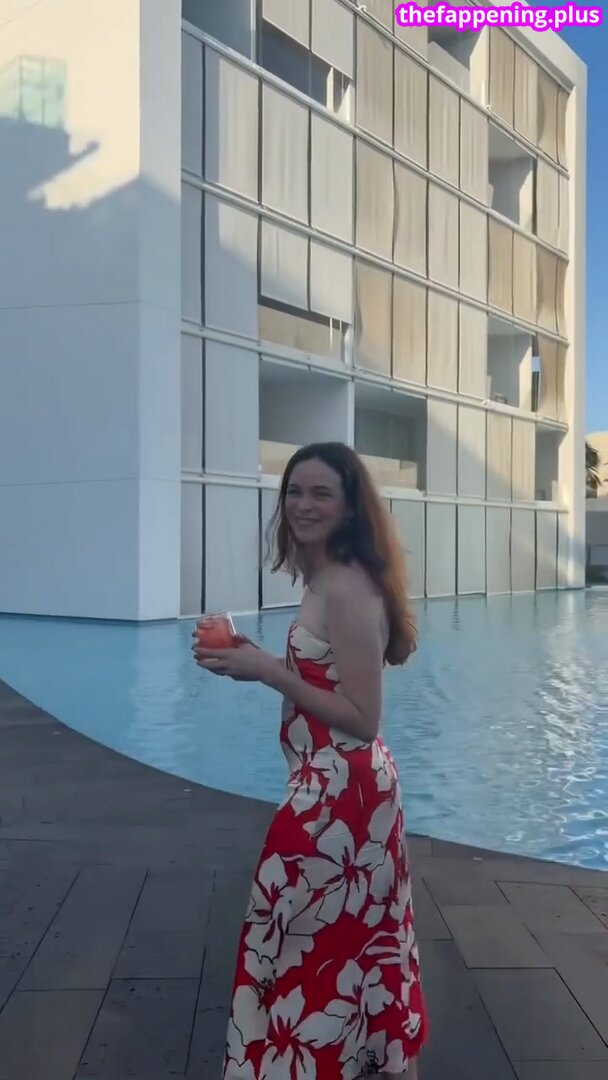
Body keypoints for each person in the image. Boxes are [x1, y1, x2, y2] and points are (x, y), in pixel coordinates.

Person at [193, 442, 428, 1080]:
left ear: (350, 506)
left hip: (342, 798)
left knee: (302, 945)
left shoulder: (346, 588)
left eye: (321, 492)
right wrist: (254, 658)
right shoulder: (328, 580)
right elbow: (326, 678)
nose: (302, 504)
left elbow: (362, 718)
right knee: (352, 951)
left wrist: (269, 671)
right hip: (339, 790)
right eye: (294, 491)